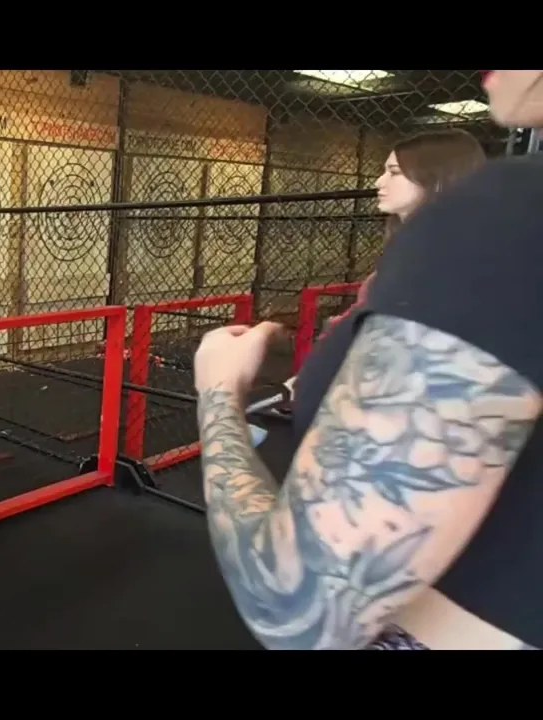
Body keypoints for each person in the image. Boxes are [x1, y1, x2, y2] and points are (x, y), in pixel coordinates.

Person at [193, 69, 543, 650]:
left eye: (394, 170)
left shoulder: (506, 217)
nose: (379, 181)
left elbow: (298, 605)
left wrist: (218, 393)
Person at [283, 129, 487, 400]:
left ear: (438, 179)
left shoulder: (452, 265)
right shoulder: (409, 253)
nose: (379, 182)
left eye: (394, 172)